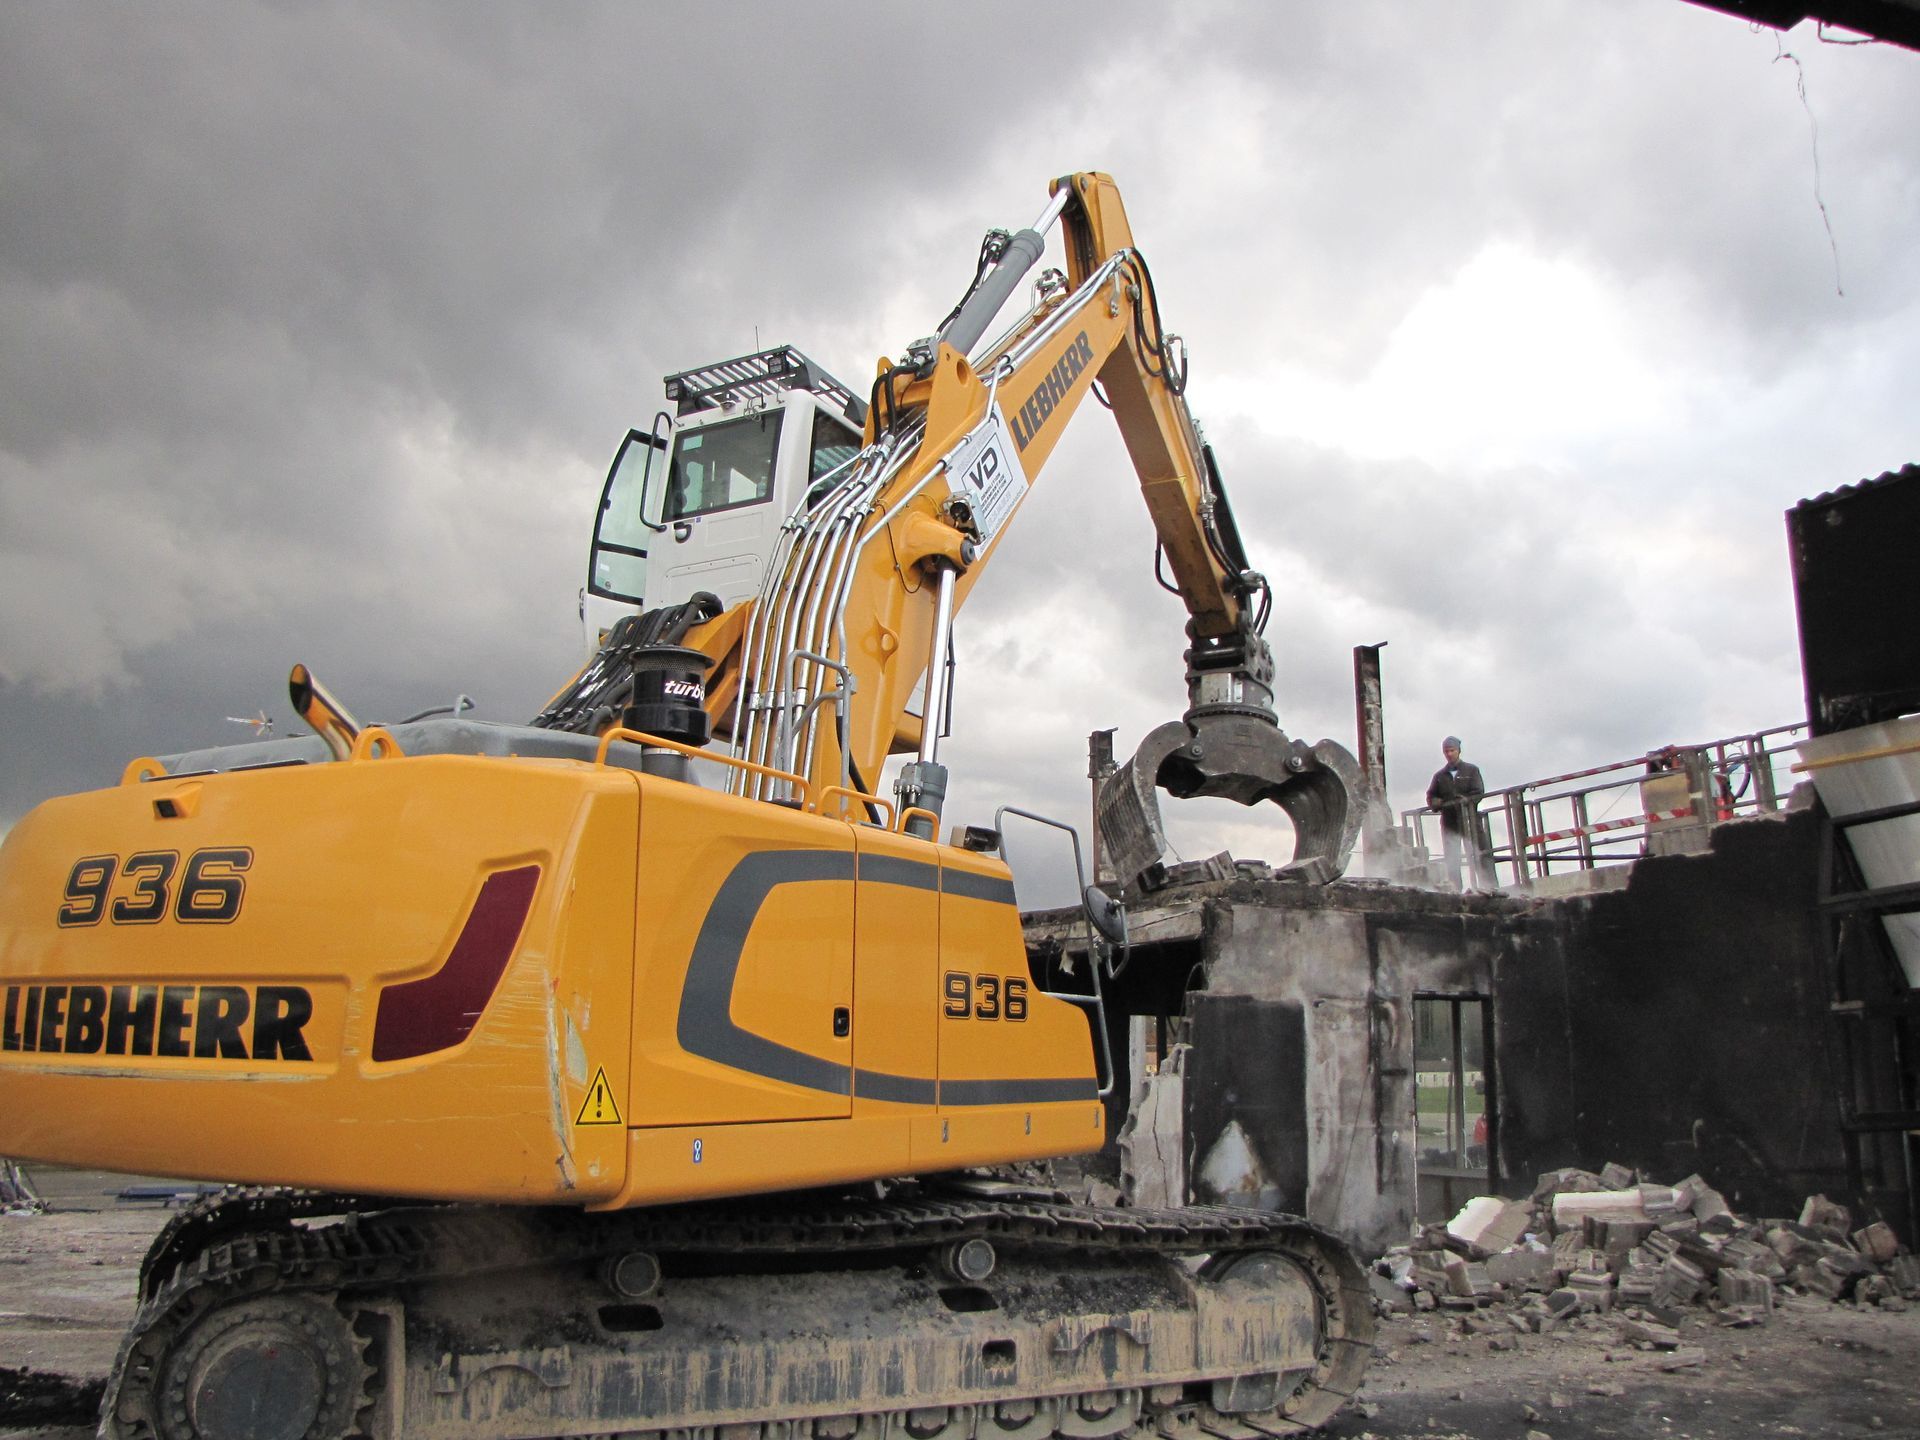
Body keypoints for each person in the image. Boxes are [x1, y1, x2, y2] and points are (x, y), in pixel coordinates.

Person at [1426, 736, 1491, 891]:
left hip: (1470, 819)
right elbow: (1431, 794)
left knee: (1480, 853)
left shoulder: (1471, 770)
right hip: (1450, 821)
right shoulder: (1440, 776)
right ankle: (1456, 889)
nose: (1449, 754)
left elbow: (1478, 792)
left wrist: (1465, 801)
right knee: (1452, 857)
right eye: (1446, 751)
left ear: (1458, 751)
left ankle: (1488, 886)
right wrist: (1435, 801)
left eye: (1452, 750)